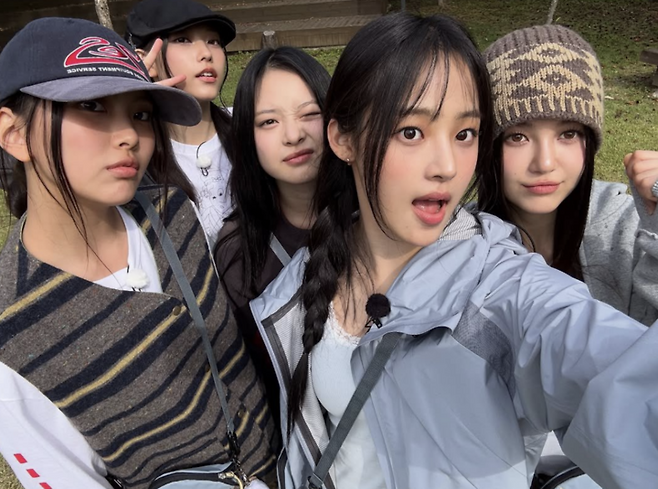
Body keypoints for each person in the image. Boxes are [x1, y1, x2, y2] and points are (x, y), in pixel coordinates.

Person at [249, 12, 658, 489]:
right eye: (411, 132)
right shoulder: (300, 284)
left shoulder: (500, 285)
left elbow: (601, 362)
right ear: (343, 139)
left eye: (465, 134)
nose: (446, 166)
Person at [0, 17, 276, 489]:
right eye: (91, 105)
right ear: (14, 134)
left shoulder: (174, 213)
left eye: (142, 113)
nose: (129, 135)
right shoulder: (12, 330)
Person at [478, 24, 658, 326]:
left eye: (568, 134)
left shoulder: (630, 231)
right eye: (518, 137)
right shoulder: (456, 248)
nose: (545, 163)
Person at [214, 47, 330, 419]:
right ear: (246, 138)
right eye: (269, 122)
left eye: (310, 114)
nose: (294, 135)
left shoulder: (379, 219)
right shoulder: (239, 253)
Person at [125, 0, 236, 250]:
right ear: (145, 60)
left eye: (214, 41)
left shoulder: (253, 130)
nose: (206, 53)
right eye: (183, 40)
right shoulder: (129, 153)